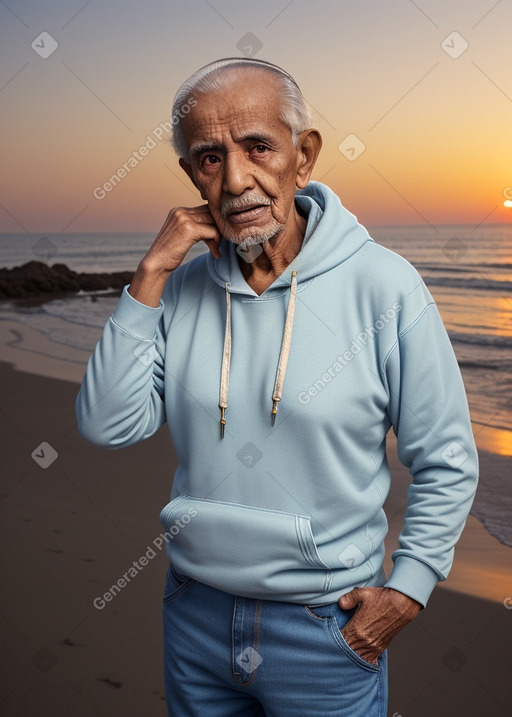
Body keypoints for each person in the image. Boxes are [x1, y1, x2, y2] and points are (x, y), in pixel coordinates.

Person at [76, 57, 479, 717]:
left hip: (326, 628)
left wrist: (407, 590)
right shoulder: (178, 291)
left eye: (258, 146)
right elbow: (106, 424)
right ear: (190, 176)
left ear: (304, 154)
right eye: (209, 158)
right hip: (194, 615)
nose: (236, 178)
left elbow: (446, 455)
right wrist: (149, 275)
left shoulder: (385, 285)